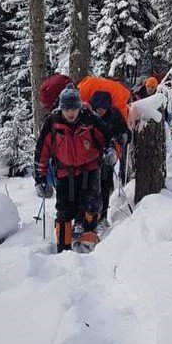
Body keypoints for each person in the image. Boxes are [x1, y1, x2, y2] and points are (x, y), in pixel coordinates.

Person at [34, 86, 111, 252]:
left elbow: (106, 137)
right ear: (61, 108)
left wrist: (110, 150)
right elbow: (42, 151)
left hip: (89, 169)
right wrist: (40, 178)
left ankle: (88, 235)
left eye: (74, 108)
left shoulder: (90, 118)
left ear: (79, 107)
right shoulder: (53, 123)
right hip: (64, 171)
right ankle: (64, 247)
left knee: (92, 204)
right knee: (65, 210)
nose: (70, 113)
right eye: (66, 109)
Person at [90, 90, 131, 228]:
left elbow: (125, 131)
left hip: (108, 157)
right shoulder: (87, 115)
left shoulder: (114, 115)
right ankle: (88, 219)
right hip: (89, 158)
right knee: (90, 188)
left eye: (103, 108)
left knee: (104, 185)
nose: (100, 111)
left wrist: (123, 137)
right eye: (98, 108)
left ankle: (102, 216)